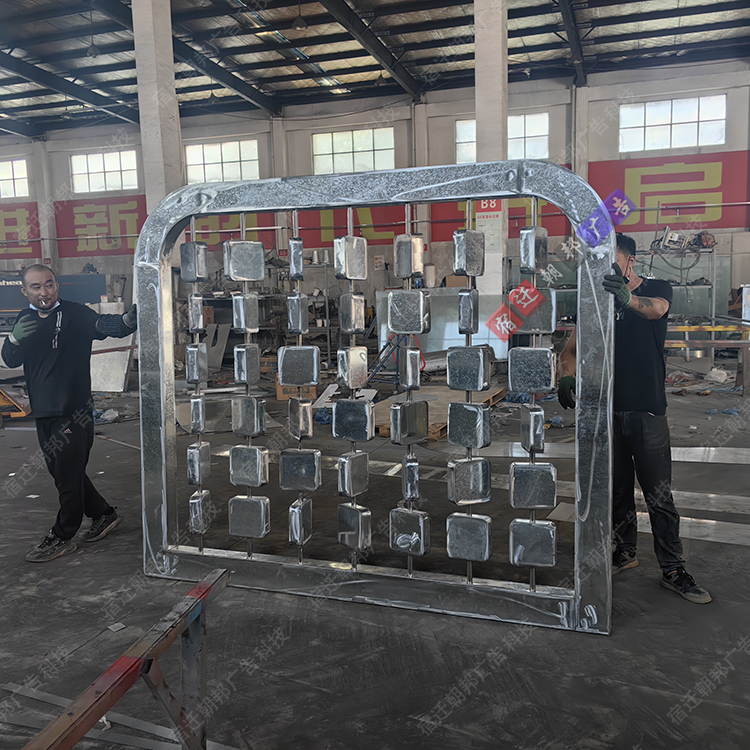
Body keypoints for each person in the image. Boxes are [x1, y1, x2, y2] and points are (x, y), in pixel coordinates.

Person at [558, 233, 711, 604]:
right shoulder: (594, 300)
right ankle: (624, 551)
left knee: (658, 495)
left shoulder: (658, 287)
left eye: (612, 259)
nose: (605, 266)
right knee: (617, 491)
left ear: (630, 260)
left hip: (647, 410)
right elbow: (570, 351)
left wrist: (627, 298)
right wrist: (566, 374)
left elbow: (656, 309)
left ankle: (673, 569)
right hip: (607, 411)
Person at [1, 265, 138, 563]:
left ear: (56, 285)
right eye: (36, 287)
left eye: (49, 284)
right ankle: (103, 514)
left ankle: (63, 535)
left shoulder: (75, 314)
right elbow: (10, 360)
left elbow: (108, 326)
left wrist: (131, 319)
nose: (44, 292)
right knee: (64, 472)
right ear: (25, 291)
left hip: (73, 412)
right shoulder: (25, 319)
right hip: (44, 412)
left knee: (66, 476)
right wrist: (13, 339)